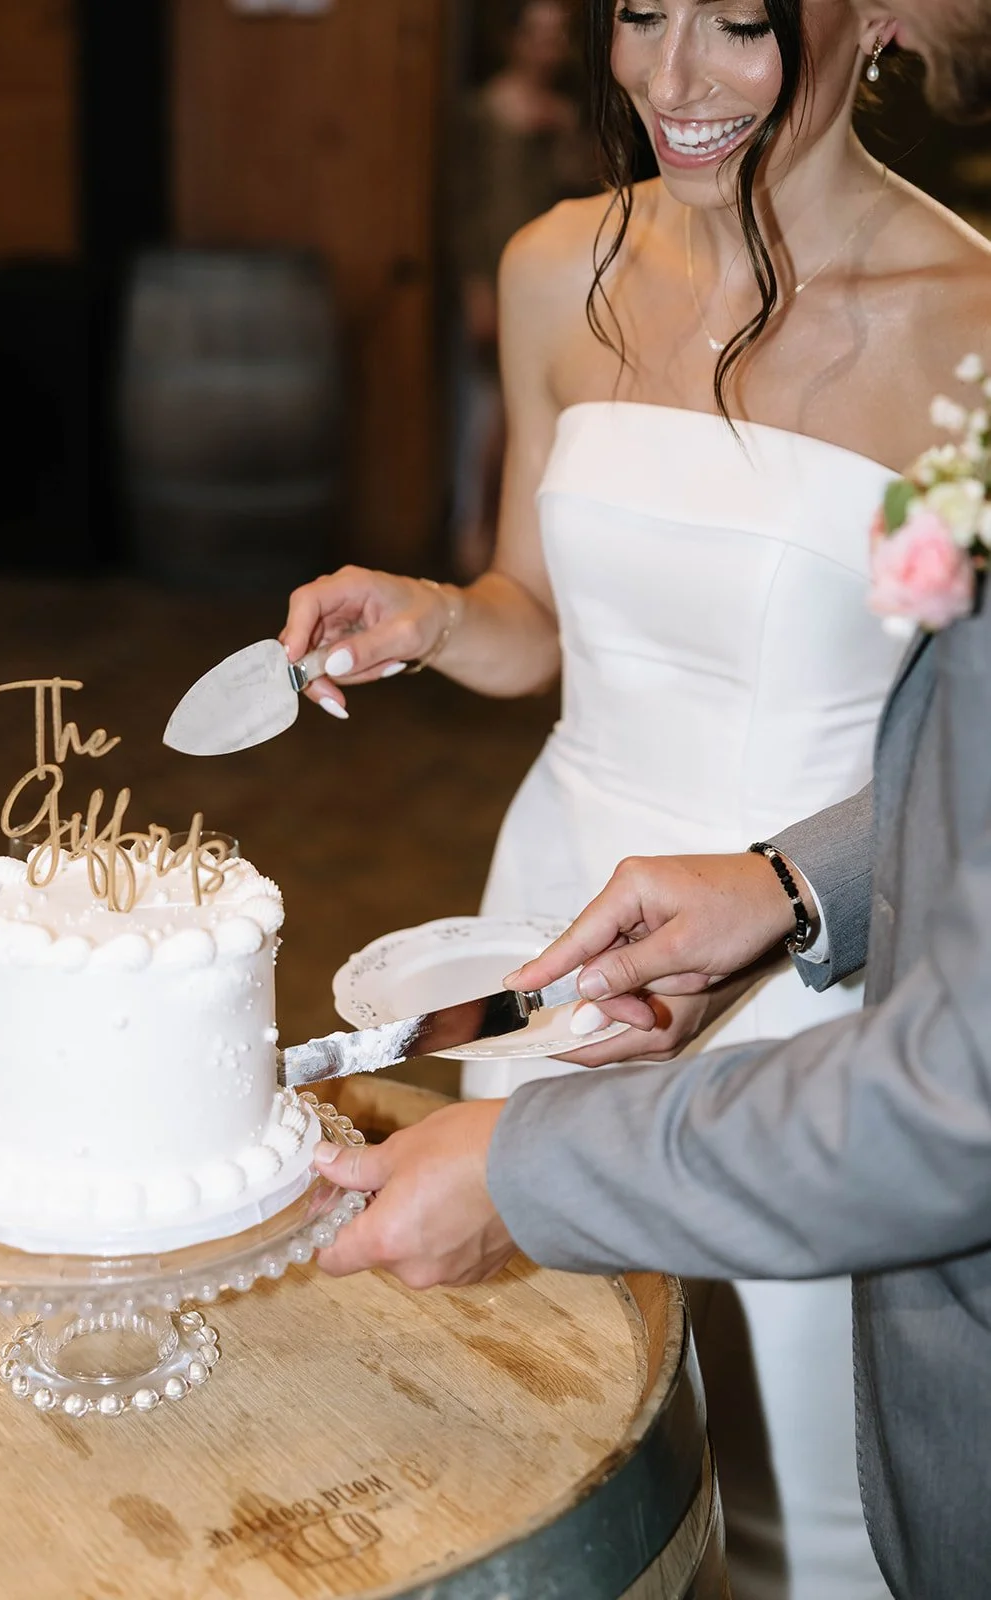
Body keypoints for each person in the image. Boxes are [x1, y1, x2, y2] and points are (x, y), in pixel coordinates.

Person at [284, 4, 986, 1598]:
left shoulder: (975, 329)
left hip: (820, 1002)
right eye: (636, 13)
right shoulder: (555, 265)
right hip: (551, 926)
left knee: (793, 1509)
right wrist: (443, 616)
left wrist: (797, 897)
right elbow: (536, 613)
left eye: (737, 23)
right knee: (570, 1455)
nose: (669, 81)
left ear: (869, 17)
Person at [448, 0, 594, 577]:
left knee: (549, 408)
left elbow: (584, 194)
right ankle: (474, 528)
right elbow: (464, 206)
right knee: (491, 413)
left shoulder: (568, 113)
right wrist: (475, 287)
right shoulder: (483, 111)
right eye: (535, 34)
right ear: (513, 39)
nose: (546, 47)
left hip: (555, 282)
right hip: (497, 275)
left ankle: (531, 542)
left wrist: (565, 140)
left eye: (556, 35)